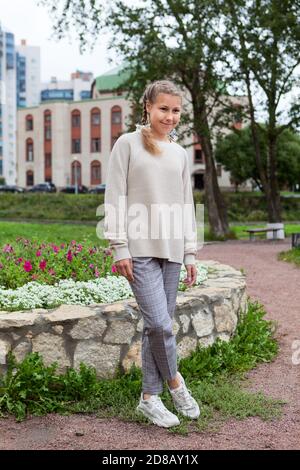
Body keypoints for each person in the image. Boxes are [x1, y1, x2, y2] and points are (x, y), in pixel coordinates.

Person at [104, 80, 200, 428]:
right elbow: (115, 196)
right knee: (160, 323)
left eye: (175, 111)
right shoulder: (127, 144)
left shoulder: (179, 153)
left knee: (154, 328)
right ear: (148, 107)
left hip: (172, 250)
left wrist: (190, 253)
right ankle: (175, 383)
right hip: (140, 249)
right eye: (164, 109)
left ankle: (149, 398)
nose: (170, 116)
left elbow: (186, 203)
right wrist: (120, 246)